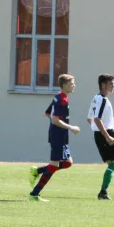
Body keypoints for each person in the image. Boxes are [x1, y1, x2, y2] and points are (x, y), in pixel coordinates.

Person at [29, 74, 80, 202]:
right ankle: (34, 194)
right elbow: (55, 119)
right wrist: (71, 127)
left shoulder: (59, 97)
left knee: (68, 163)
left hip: (60, 135)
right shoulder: (62, 99)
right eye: (72, 83)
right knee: (54, 165)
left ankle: (37, 171)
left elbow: (47, 114)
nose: (74, 85)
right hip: (58, 135)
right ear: (64, 85)